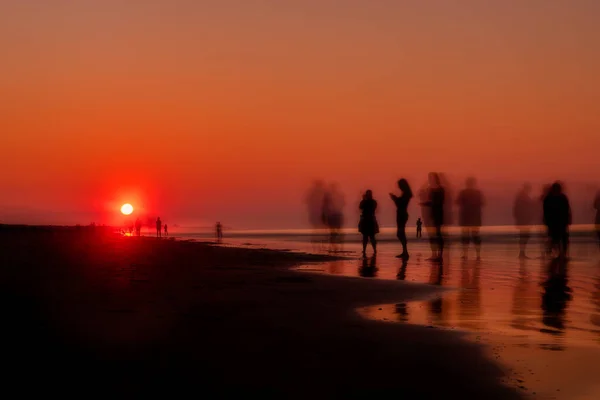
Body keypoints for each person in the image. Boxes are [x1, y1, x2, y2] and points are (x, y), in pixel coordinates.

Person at [456, 177, 485, 260]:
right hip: (475, 218)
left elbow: (457, 202)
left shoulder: (463, 192)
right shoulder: (478, 193)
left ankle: (465, 255)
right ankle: (478, 255)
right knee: (476, 236)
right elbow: (482, 203)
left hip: (465, 218)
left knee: (465, 237)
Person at [543, 182, 571, 259]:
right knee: (561, 237)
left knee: (556, 237)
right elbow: (567, 209)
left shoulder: (549, 198)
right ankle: (562, 253)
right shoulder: (562, 197)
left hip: (554, 222)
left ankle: (557, 252)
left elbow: (546, 211)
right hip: (559, 221)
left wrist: (546, 220)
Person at [420, 172, 445, 261]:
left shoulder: (440, 189)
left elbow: (438, 202)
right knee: (431, 235)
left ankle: (439, 255)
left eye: (430, 178)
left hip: (437, 214)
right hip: (430, 214)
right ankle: (434, 254)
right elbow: (424, 195)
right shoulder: (430, 189)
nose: (429, 179)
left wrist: (425, 203)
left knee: (438, 234)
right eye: (429, 177)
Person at [389, 178, 413, 259]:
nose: (399, 187)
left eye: (399, 185)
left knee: (400, 233)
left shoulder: (406, 194)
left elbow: (400, 204)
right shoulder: (406, 193)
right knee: (401, 233)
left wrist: (394, 198)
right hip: (402, 214)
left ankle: (405, 252)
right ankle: (405, 251)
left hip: (402, 214)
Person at [513, 183, 535, 258]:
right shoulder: (522, 197)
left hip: (523, 220)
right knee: (524, 236)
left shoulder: (522, 196)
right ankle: (522, 253)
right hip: (524, 220)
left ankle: (522, 253)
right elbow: (519, 209)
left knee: (524, 236)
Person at [359, 190, 378, 257]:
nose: (368, 195)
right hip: (366, 220)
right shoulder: (368, 201)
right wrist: (364, 200)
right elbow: (360, 207)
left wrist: (364, 200)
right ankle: (365, 250)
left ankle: (374, 250)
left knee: (371, 236)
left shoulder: (373, 202)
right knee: (366, 236)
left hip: (370, 220)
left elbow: (372, 208)